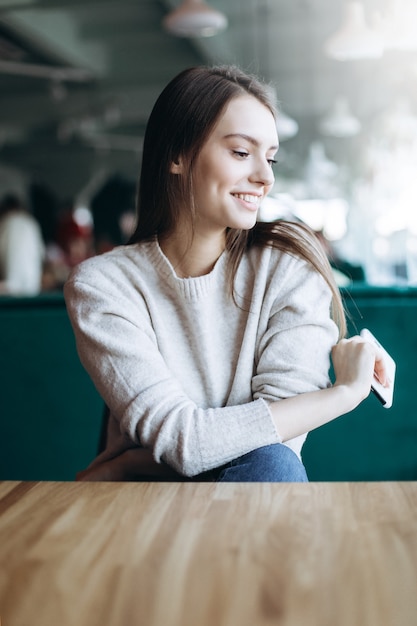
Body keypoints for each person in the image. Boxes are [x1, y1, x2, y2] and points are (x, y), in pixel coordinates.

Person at [64, 65, 388, 482]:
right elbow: (185, 441)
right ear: (177, 156)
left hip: (245, 494)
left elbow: (277, 445)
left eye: (270, 157)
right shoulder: (102, 286)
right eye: (241, 152)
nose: (265, 176)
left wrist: (131, 462)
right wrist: (344, 393)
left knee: (274, 463)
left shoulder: (289, 268)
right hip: (147, 509)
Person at [0, 193, 45, 295]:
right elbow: (41, 255)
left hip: (8, 291)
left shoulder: (5, 222)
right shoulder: (32, 223)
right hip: (33, 290)